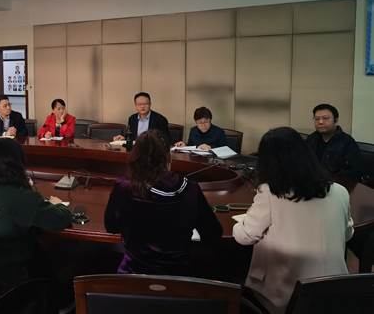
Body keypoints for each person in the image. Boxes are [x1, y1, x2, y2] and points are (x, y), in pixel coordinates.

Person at [233, 127, 353, 314]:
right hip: (335, 290)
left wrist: (241, 223)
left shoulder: (270, 193)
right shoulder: (340, 191)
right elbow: (347, 234)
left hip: (288, 294)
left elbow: (244, 237)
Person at [0, 138, 71, 296]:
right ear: (19, 163)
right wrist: (58, 205)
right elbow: (60, 220)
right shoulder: (22, 197)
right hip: (8, 288)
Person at [105, 130, 222, 275]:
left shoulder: (124, 187)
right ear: (168, 157)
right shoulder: (190, 188)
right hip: (178, 276)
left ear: (134, 157)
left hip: (134, 274)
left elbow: (111, 226)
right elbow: (213, 233)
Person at [306, 103, 363, 181]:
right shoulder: (311, 138)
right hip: (312, 182)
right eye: (317, 119)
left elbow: (353, 173)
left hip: (335, 184)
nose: (320, 122)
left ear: (335, 120)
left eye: (325, 118)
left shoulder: (347, 142)